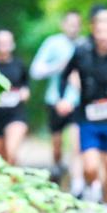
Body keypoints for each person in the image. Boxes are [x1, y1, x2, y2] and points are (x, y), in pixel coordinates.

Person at [56, 9, 107, 207]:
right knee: (90, 167)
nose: (103, 36)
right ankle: (94, 188)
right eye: (99, 31)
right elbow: (64, 76)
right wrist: (63, 99)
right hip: (88, 118)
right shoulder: (82, 53)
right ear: (93, 30)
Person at [29, 11, 83, 186]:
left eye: (77, 24)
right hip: (55, 100)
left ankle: (77, 183)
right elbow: (35, 71)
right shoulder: (53, 43)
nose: (73, 27)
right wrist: (58, 67)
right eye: (70, 23)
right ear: (63, 24)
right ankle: (57, 168)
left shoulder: (84, 45)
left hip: (78, 101)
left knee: (77, 143)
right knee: (57, 144)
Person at [0, 30, 30, 165]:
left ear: (12, 44)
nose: (4, 45)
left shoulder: (19, 64)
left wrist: (25, 92)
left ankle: (15, 181)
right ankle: (5, 183)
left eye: (7, 42)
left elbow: (26, 84)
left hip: (15, 114)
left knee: (11, 152)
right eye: (0, 42)